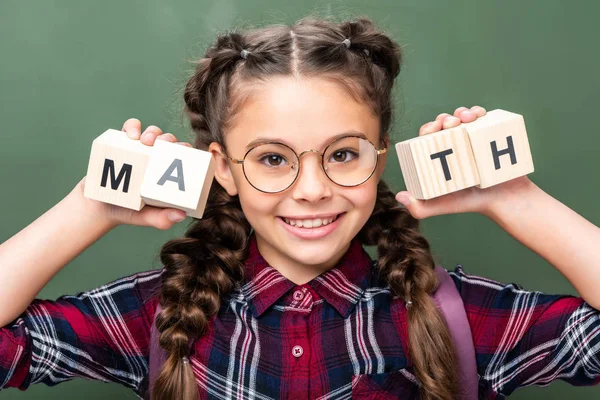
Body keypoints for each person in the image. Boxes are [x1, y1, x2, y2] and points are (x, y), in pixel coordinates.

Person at [1, 15, 599, 400]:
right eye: (271, 159)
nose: (312, 188)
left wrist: (516, 200)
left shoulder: (455, 319)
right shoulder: (159, 317)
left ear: (381, 157)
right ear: (224, 170)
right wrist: (88, 207)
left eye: (342, 154)